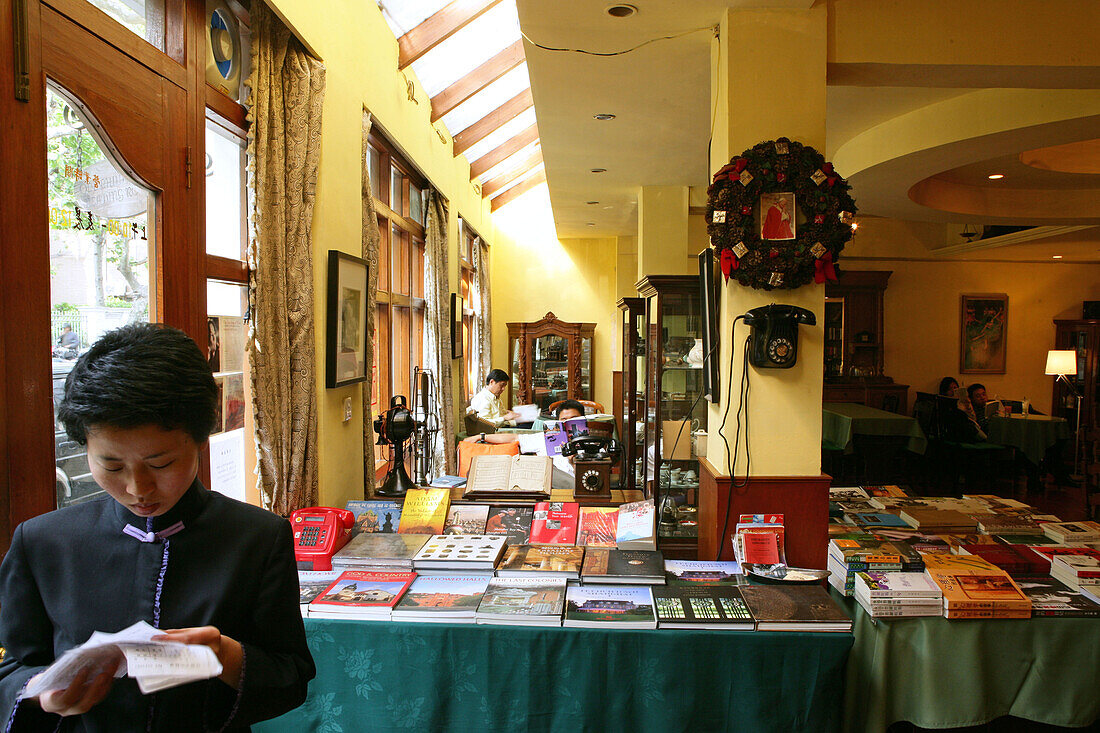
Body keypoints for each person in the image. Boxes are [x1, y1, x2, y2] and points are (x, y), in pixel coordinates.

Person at [0, 323, 315, 730]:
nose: (138, 488)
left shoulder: (258, 537)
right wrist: (40, 690)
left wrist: (225, 656)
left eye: (161, 464)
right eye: (111, 465)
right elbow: (13, 668)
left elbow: (291, 676)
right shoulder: (43, 541)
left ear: (201, 437)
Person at [462, 400, 585, 445]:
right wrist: (480, 436)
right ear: (557, 421)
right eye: (564, 420)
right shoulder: (545, 439)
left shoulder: (593, 442)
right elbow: (513, 438)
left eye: (574, 418)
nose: (569, 422)